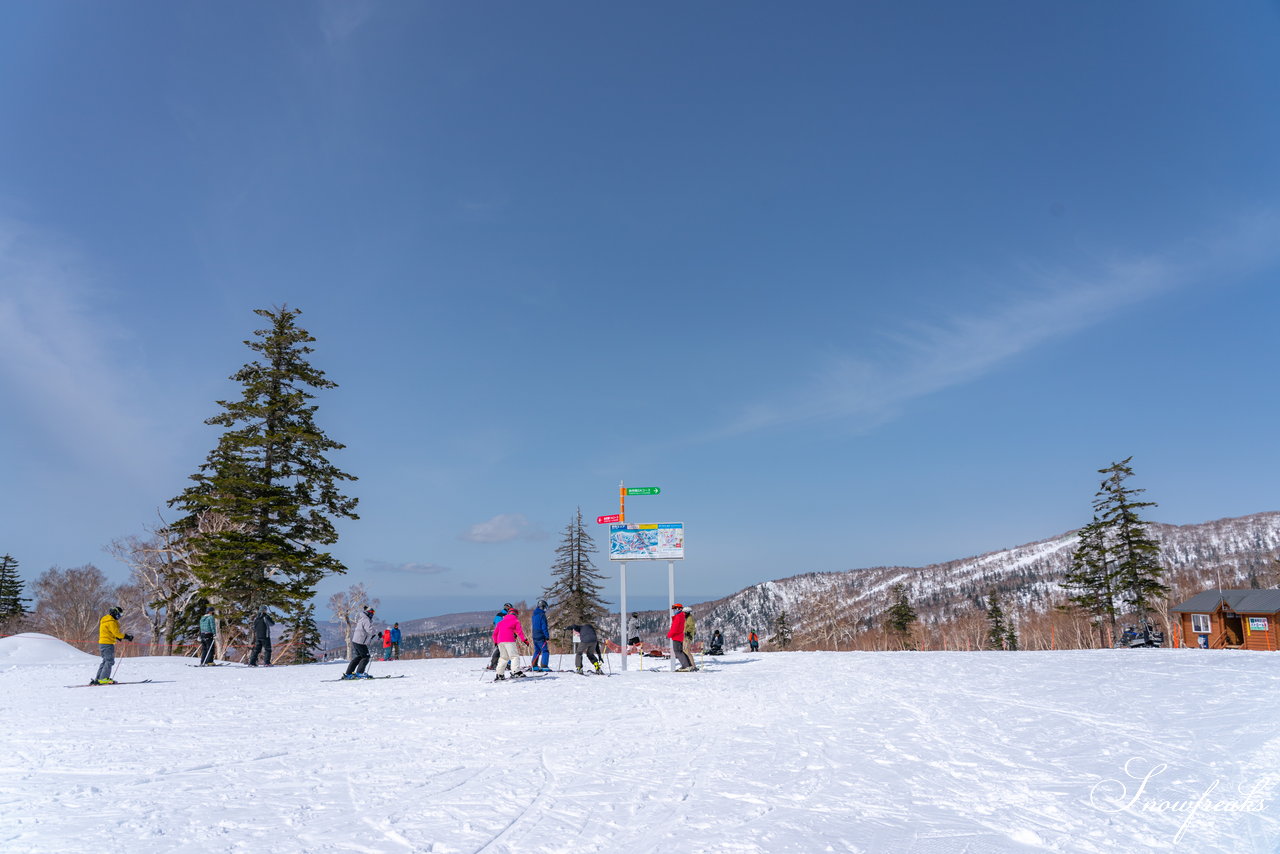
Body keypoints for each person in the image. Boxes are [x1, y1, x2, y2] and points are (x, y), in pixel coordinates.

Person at [92, 606, 133, 685]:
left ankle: (99, 678)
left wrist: (117, 637)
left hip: (103, 643)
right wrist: (126, 636)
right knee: (109, 661)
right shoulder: (111, 621)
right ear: (115, 613)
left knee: (105, 661)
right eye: (119, 614)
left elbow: (108, 632)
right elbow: (116, 633)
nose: (120, 616)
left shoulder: (105, 620)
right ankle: (103, 679)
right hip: (107, 643)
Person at [492, 607, 529, 681]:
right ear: (516, 614)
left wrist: (496, 642)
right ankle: (516, 672)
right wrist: (524, 640)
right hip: (509, 641)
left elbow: (494, 634)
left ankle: (499, 674)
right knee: (514, 656)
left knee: (503, 658)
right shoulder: (515, 621)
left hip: (500, 642)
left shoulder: (501, 622)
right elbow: (519, 632)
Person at [344, 606, 376, 679]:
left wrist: (371, 636)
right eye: (372, 612)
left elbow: (364, 631)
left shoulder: (362, 618)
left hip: (356, 641)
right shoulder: (366, 619)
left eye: (373, 613)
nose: (372, 614)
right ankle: (359, 673)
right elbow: (369, 630)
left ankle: (349, 673)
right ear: (368, 613)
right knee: (366, 656)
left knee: (359, 657)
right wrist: (375, 633)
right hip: (360, 641)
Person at [667, 603, 695, 671]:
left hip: (677, 636)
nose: (674, 611)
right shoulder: (682, 616)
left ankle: (686, 665)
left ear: (679, 609)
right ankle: (689, 665)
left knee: (678, 651)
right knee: (681, 651)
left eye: (675, 609)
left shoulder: (678, 617)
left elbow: (675, 628)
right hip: (680, 636)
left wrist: (669, 634)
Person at [486, 604, 513, 670]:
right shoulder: (507, 616)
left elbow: (495, 623)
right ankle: (507, 664)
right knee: (507, 649)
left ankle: (494, 664)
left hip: (498, 634)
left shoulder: (498, 615)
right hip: (505, 635)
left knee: (498, 649)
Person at [530, 599, 551, 672]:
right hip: (540, 635)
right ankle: (544, 666)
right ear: (542, 607)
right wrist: (547, 636)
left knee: (537, 650)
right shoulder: (542, 615)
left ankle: (534, 665)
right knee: (545, 651)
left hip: (534, 635)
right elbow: (544, 626)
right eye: (545, 607)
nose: (545, 609)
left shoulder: (534, 614)